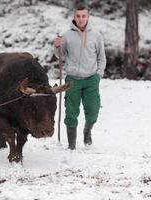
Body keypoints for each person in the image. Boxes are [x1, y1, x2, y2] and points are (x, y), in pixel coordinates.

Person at [54, 3, 106, 150]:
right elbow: (59, 55)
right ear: (74, 17)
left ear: (88, 17)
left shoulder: (96, 36)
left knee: (93, 110)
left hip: (91, 79)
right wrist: (57, 45)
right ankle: (71, 145)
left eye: (84, 16)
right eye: (78, 16)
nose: (81, 19)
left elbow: (102, 57)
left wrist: (98, 75)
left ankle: (87, 131)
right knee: (71, 112)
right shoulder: (66, 35)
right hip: (72, 80)